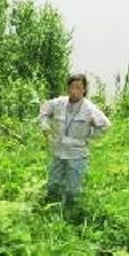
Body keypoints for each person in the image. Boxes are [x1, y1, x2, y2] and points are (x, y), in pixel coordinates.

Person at [38, 73, 111, 205]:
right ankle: (49, 209)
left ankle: (71, 213)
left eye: (78, 88)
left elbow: (105, 125)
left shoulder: (89, 109)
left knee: (73, 191)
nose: (75, 91)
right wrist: (45, 127)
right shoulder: (58, 103)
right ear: (67, 88)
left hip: (77, 154)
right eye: (72, 87)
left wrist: (89, 137)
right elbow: (44, 110)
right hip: (58, 151)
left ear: (84, 90)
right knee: (53, 185)